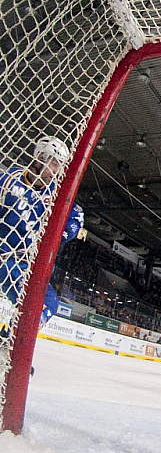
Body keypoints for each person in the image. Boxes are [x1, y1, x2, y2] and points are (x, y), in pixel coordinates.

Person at [0, 136, 78, 334]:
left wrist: (62, 234)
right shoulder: (9, 179)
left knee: (49, 303)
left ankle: (10, 340)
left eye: (59, 166)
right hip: (4, 258)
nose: (55, 171)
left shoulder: (55, 194)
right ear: (40, 157)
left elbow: (77, 216)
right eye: (53, 163)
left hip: (24, 266)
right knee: (33, 304)